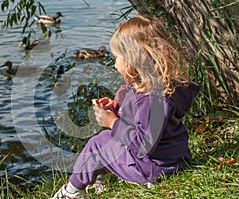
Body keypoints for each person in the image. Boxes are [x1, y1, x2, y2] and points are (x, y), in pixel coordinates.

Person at [50, 15, 201, 199]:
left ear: (132, 59)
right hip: (175, 160)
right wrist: (116, 109)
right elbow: (142, 126)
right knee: (106, 139)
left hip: (154, 169)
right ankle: (98, 174)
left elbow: (142, 145)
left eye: (116, 58)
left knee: (97, 144)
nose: (114, 64)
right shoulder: (157, 87)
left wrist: (112, 122)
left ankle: (72, 192)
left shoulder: (152, 99)